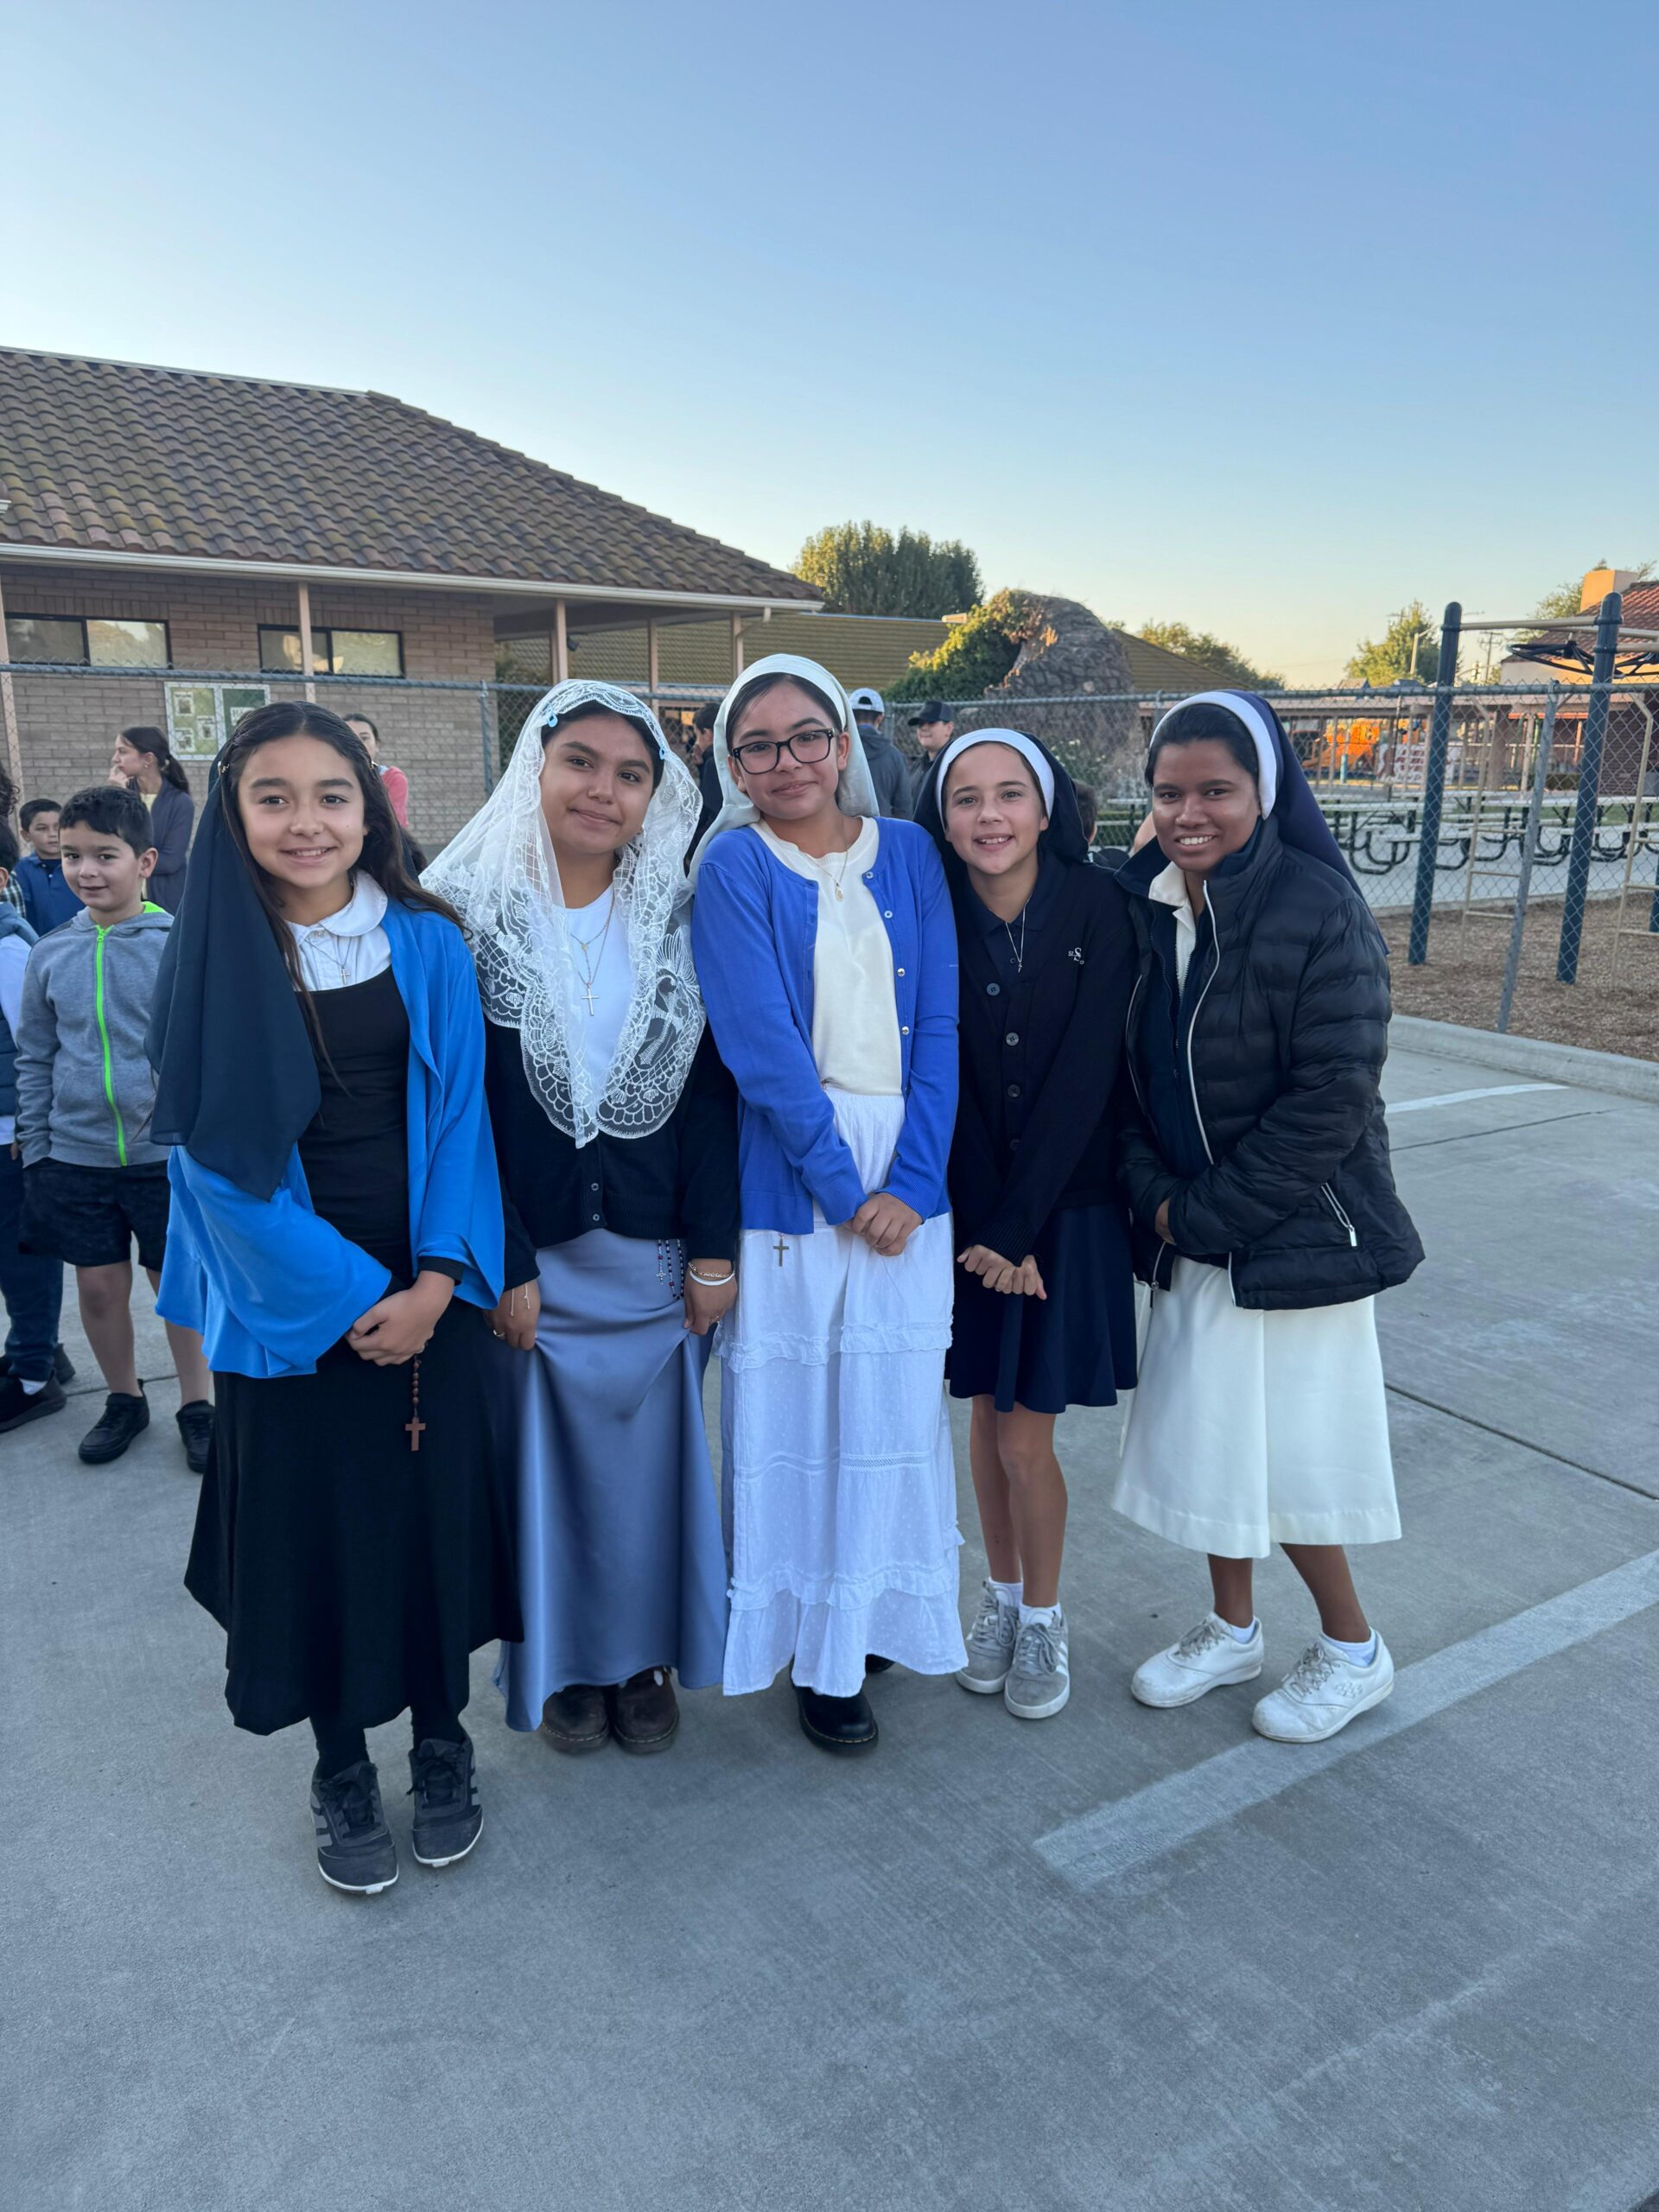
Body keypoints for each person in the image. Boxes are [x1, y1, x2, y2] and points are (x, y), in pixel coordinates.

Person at [151, 701, 518, 1895]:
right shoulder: (214, 956)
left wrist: (436, 1283)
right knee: (317, 1539)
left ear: (371, 811)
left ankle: (444, 1742)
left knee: (426, 1525)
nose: (305, 822)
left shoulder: (428, 942)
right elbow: (213, 1167)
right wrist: (359, 1298)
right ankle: (341, 1764)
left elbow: (461, 1119)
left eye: (331, 796)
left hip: (430, 1287)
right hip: (289, 1307)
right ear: (233, 813)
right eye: (274, 797)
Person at [425, 679, 737, 1760]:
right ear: (536, 769)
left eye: (631, 774)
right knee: (543, 1480)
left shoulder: (679, 920)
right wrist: (502, 1259)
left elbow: (711, 1100)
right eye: (582, 763)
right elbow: (459, 1113)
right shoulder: (465, 919)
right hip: (532, 1267)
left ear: (657, 796)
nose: (604, 789)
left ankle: (644, 1659)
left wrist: (713, 1252)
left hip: (654, 1261)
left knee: (648, 1481)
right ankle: (559, 1662)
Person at [1111, 691, 1424, 1744]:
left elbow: (1333, 1097)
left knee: (1294, 1458)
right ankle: (1233, 1627)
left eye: (1217, 790)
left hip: (1293, 1233)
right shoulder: (1152, 905)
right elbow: (1128, 1078)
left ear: (1266, 792)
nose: (1190, 812)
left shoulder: (1319, 908)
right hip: (1194, 1231)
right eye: (1169, 793)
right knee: (1216, 1443)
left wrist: (1201, 1214)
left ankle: (1354, 1648)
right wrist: (1157, 1197)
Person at [690, 652, 963, 1754]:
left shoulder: (910, 852)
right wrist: (850, 1192)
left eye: (806, 735)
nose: (786, 761)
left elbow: (939, 1025)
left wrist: (916, 1182)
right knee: (799, 1416)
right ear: (733, 765)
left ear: (844, 743)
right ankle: (815, 1652)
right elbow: (761, 1050)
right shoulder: (732, 867)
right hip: (795, 1183)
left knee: (891, 1410)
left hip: (910, 1173)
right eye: (757, 746)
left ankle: (872, 1616)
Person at [915, 730, 1138, 1721]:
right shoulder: (932, 908)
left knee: (1022, 1439)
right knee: (982, 1413)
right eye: (966, 797)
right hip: (970, 1216)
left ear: (1048, 810)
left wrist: (1018, 1230)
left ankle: (1043, 1616)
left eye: (1011, 794)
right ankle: (999, 1600)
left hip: (1062, 1213)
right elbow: (939, 1073)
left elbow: (1088, 1079)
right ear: (942, 815)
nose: (989, 815)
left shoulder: (1101, 908)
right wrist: (985, 1224)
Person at [15, 785, 213, 1468]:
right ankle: (124, 1399)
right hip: (76, 1156)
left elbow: (201, 1051)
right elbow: (36, 1056)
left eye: (105, 855)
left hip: (165, 1157)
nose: (87, 870)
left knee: (176, 1286)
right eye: (72, 856)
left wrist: (196, 1137)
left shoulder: (177, 946)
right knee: (98, 1288)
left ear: (145, 861)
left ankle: (197, 1402)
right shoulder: (50, 953)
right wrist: (39, 1146)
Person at [0, 820, 68, 1433]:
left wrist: (32, 1127)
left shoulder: (9, 949)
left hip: (13, 1136)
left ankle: (33, 1374)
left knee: (22, 1256)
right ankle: (43, 1349)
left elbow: (38, 1049)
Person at [110, 726, 194, 912]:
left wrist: (122, 863)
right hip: (124, 902)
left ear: (148, 758)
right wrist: (119, 796)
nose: (115, 759)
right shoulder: (120, 795)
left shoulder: (180, 802)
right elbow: (111, 842)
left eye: (122, 751)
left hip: (167, 902)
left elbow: (171, 861)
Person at [16, 800, 84, 933]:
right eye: (42, 828)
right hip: (37, 942)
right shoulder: (19, 870)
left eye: (58, 827)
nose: (52, 834)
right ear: (26, 835)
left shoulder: (82, 866)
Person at [848, 687, 913, 820]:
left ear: (850, 716)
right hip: (880, 829)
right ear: (880, 718)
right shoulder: (894, 756)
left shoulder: (837, 751)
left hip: (840, 829)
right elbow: (904, 808)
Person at [343, 711, 410, 828]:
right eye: (349, 738)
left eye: (364, 738)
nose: (357, 744)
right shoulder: (327, 778)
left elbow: (393, 826)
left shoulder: (392, 778)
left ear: (377, 744)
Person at [689, 699, 723, 855]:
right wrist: (701, 767)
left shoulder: (713, 764)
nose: (696, 742)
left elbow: (711, 811)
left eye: (697, 735)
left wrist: (692, 847)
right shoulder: (730, 757)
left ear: (707, 734)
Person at [907, 700, 955, 808]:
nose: (924, 728)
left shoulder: (954, 764)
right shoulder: (918, 765)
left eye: (931, 723)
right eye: (920, 724)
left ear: (949, 728)